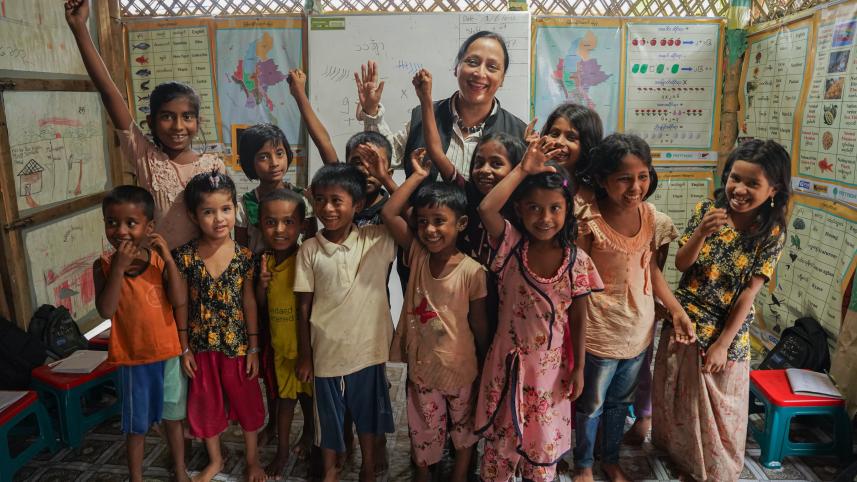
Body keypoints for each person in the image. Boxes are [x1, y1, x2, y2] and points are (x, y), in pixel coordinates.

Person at [653, 139, 791, 481]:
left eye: (752, 183)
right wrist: (701, 231)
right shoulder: (706, 210)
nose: (739, 189)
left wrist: (723, 344)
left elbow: (749, 294)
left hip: (727, 329)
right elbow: (683, 265)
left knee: (722, 409)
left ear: (773, 189)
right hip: (684, 321)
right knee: (679, 399)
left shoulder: (771, 231)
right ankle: (681, 461)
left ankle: (712, 470)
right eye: (734, 178)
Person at [475, 138, 603, 482]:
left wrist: (578, 370)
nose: (544, 218)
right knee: (500, 448)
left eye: (554, 208)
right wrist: (522, 169)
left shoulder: (578, 262)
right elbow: (487, 209)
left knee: (541, 446)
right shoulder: (511, 246)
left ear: (567, 210)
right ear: (519, 209)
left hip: (549, 370)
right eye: (533, 208)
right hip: (506, 363)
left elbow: (579, 318)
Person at [571, 133, 693, 482]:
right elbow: (577, 282)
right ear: (601, 180)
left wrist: (676, 310)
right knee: (591, 404)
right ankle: (582, 465)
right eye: (624, 178)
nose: (635, 186)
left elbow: (651, 269)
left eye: (642, 176)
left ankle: (609, 459)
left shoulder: (652, 218)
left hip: (638, 331)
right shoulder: (588, 221)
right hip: (599, 331)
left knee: (617, 405)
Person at [65, 0, 223, 249]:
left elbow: (222, 225)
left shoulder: (214, 167)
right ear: (151, 121)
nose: (178, 126)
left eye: (187, 117)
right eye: (167, 116)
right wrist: (80, 28)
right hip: (157, 274)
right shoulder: (146, 158)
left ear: (198, 121)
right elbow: (109, 92)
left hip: (202, 278)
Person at [381, 152, 490, 482]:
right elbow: (389, 212)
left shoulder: (473, 273)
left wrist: (485, 364)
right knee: (423, 427)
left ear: (461, 224)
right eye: (424, 221)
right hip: (423, 368)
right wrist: (416, 177)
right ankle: (424, 473)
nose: (429, 229)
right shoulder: (416, 254)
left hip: (462, 371)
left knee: (464, 430)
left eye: (439, 221)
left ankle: (459, 474)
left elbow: (480, 325)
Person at [294, 164, 397, 482]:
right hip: (325, 354)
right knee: (328, 419)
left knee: (368, 419)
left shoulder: (377, 240)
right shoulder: (309, 249)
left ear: (359, 205)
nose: (327, 208)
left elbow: (399, 209)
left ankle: (367, 467)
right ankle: (329, 470)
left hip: (367, 352)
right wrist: (305, 354)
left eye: (337, 200)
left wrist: (384, 180)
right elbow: (303, 307)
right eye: (321, 199)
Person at [172, 171, 266, 482]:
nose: (218, 219)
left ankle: (252, 460)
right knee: (205, 405)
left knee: (247, 403)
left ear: (235, 208)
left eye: (225, 209)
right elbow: (181, 305)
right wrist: (183, 347)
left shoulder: (244, 258)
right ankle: (215, 460)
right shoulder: (185, 258)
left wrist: (253, 347)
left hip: (237, 347)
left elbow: (250, 302)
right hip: (201, 349)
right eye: (208, 212)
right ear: (193, 215)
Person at [93, 186, 189, 482]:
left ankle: (181, 470)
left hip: (169, 354)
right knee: (136, 426)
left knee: (174, 419)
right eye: (112, 222)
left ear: (149, 227)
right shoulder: (105, 266)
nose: (120, 230)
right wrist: (119, 269)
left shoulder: (160, 261)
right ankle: (136, 477)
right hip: (134, 360)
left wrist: (170, 261)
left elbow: (179, 299)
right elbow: (106, 311)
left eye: (130, 223)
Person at [354, 31, 527, 178]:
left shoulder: (517, 132)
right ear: (456, 68)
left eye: (492, 67)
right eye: (472, 62)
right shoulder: (423, 117)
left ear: (502, 78)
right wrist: (371, 111)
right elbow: (384, 158)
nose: (480, 73)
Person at [412, 68, 525, 266]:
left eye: (496, 163)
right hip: (465, 287)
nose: (485, 170)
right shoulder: (466, 193)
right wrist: (426, 100)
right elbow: (436, 151)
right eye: (479, 163)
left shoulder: (520, 208)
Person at [253, 189, 315, 477]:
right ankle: (281, 452)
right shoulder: (262, 261)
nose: (279, 230)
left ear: (302, 225)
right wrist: (261, 285)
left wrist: (307, 354)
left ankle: (309, 436)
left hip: (308, 350)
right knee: (283, 402)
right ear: (259, 224)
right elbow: (261, 308)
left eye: (289, 222)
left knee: (309, 400)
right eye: (270, 222)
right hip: (280, 349)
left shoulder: (307, 257)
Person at [235, 123, 316, 254]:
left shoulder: (303, 198)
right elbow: (241, 253)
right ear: (250, 161)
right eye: (264, 157)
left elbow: (312, 245)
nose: (274, 163)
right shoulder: (244, 205)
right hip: (259, 273)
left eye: (279, 153)